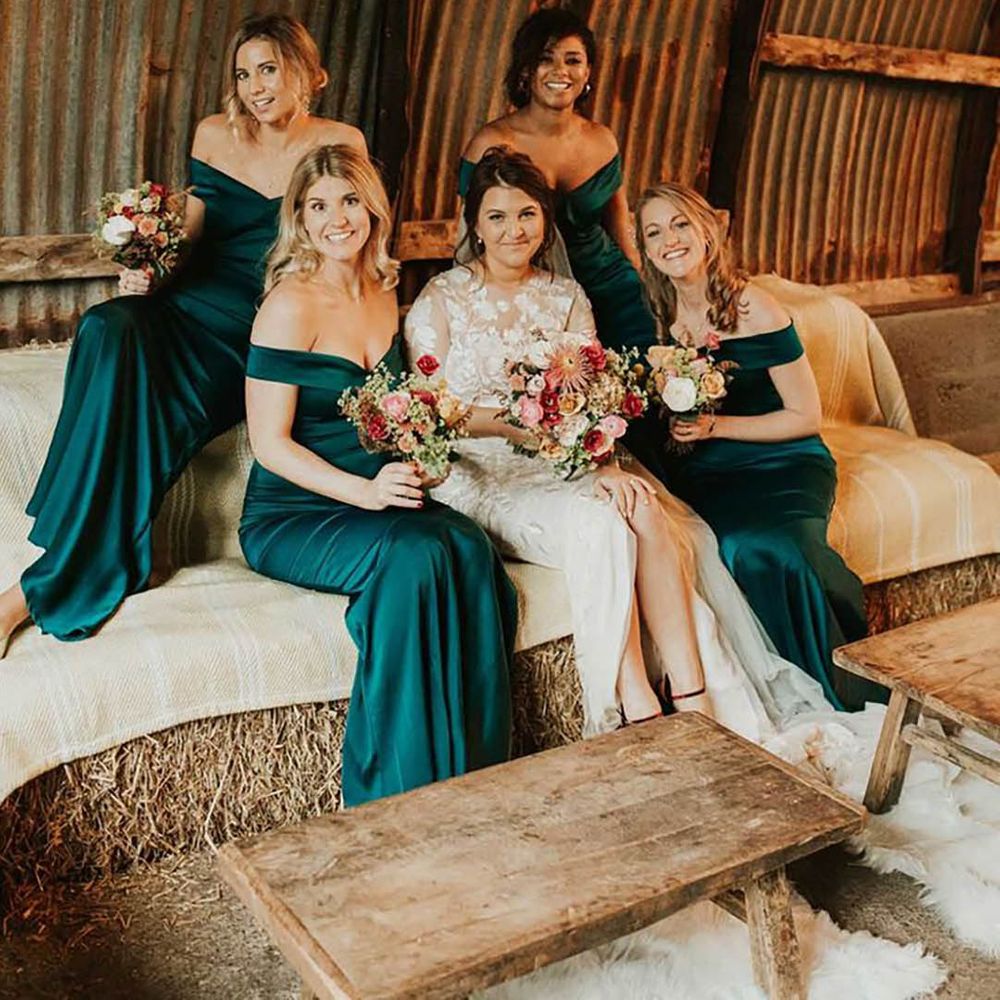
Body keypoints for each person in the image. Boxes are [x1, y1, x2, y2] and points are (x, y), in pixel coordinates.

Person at [405, 148, 828, 739]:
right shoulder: (440, 301)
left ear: (545, 222)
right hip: (483, 468)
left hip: (562, 454)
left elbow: (592, 397)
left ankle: (694, 692)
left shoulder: (567, 297)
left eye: (526, 214)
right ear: (473, 223)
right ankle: (631, 704)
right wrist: (511, 425)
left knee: (645, 509)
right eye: (497, 217)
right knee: (601, 527)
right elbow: (435, 413)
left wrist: (598, 458)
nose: (512, 230)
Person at [0, 13, 365, 653]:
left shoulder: (339, 141)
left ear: (307, 71)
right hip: (192, 301)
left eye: (269, 68)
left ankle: (30, 592)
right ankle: (133, 542)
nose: (254, 86)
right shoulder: (214, 134)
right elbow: (190, 235)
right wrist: (150, 267)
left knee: (150, 392)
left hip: (263, 324)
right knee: (110, 326)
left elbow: (345, 240)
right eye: (244, 73)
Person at [239, 144, 517, 806]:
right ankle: (395, 791)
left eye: (350, 201)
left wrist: (472, 435)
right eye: (317, 206)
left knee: (467, 547)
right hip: (295, 511)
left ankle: (475, 775)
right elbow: (270, 445)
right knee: (417, 556)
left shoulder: (387, 289)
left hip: (378, 495)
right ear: (299, 221)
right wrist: (365, 491)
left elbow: (409, 410)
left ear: (372, 208)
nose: (337, 219)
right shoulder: (289, 304)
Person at [634, 182, 884, 710]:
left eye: (680, 224)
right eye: (654, 232)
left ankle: (846, 685)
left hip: (782, 461)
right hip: (707, 473)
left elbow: (805, 417)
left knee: (779, 547)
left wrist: (716, 428)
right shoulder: (658, 317)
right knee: (724, 547)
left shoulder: (755, 307)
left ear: (708, 230)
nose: (670, 240)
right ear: (645, 249)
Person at [460, 8, 654, 355]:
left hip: (610, 286)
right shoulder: (491, 143)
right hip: (532, 294)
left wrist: (649, 287)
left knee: (639, 386)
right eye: (546, 59)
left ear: (588, 72)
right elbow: (469, 233)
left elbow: (620, 228)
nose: (560, 71)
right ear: (526, 70)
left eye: (573, 60)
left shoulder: (602, 140)